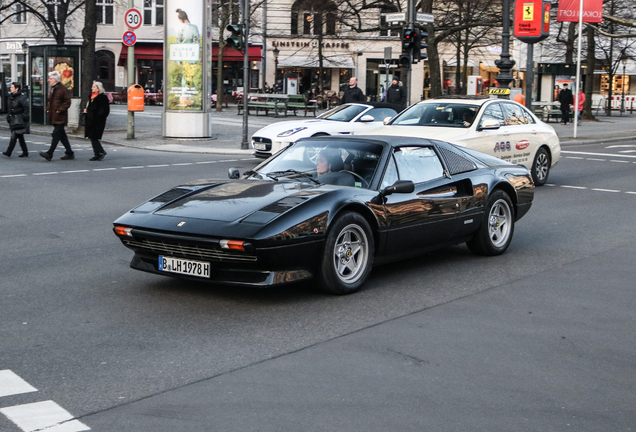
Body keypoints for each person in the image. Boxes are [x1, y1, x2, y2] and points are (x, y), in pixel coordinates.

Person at [40, 71, 73, 161]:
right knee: (62, 135)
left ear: (55, 79)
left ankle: (50, 153)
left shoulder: (62, 89)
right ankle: (69, 152)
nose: (48, 80)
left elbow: (67, 102)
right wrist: (48, 109)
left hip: (60, 116)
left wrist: (60, 110)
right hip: (54, 115)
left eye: (50, 78)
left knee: (56, 134)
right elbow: (50, 101)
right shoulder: (53, 88)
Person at [84, 81, 110, 161]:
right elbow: (90, 107)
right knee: (92, 137)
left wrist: (98, 116)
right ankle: (97, 153)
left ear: (99, 88)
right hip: (90, 119)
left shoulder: (102, 97)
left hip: (98, 121)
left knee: (94, 136)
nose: (92, 88)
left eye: (94, 87)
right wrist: (86, 111)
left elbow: (105, 110)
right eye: (92, 86)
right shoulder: (91, 97)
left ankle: (100, 152)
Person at [3, 82, 30, 158]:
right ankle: (25, 152)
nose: (10, 88)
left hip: (19, 119)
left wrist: (24, 116)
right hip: (13, 119)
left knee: (14, 135)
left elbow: (26, 107)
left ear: (17, 88)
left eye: (12, 87)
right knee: (20, 136)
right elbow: (9, 109)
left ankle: (9, 151)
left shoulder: (21, 97)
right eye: (11, 87)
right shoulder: (10, 97)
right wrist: (8, 117)